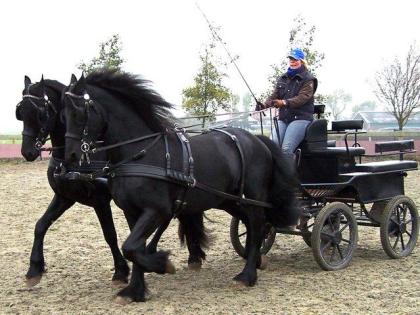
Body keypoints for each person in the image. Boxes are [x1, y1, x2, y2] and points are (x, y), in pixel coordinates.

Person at [263, 48, 318, 158]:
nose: (292, 62)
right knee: (272, 147)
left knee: (286, 149)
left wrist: (284, 102)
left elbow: (302, 98)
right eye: (290, 59)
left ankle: (288, 174)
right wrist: (264, 105)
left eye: (295, 59)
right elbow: (275, 95)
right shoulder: (283, 78)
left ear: (301, 61)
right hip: (284, 118)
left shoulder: (308, 79)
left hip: (301, 119)